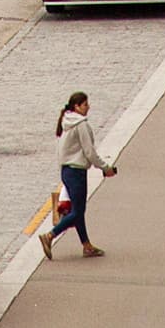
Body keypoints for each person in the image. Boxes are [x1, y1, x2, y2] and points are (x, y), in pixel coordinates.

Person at [42, 90, 114, 259]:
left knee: (77, 210)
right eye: (85, 104)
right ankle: (50, 235)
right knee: (77, 212)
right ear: (77, 106)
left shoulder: (66, 121)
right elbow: (89, 152)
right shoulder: (81, 124)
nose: (88, 107)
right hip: (77, 172)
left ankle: (86, 245)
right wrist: (105, 167)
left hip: (66, 170)